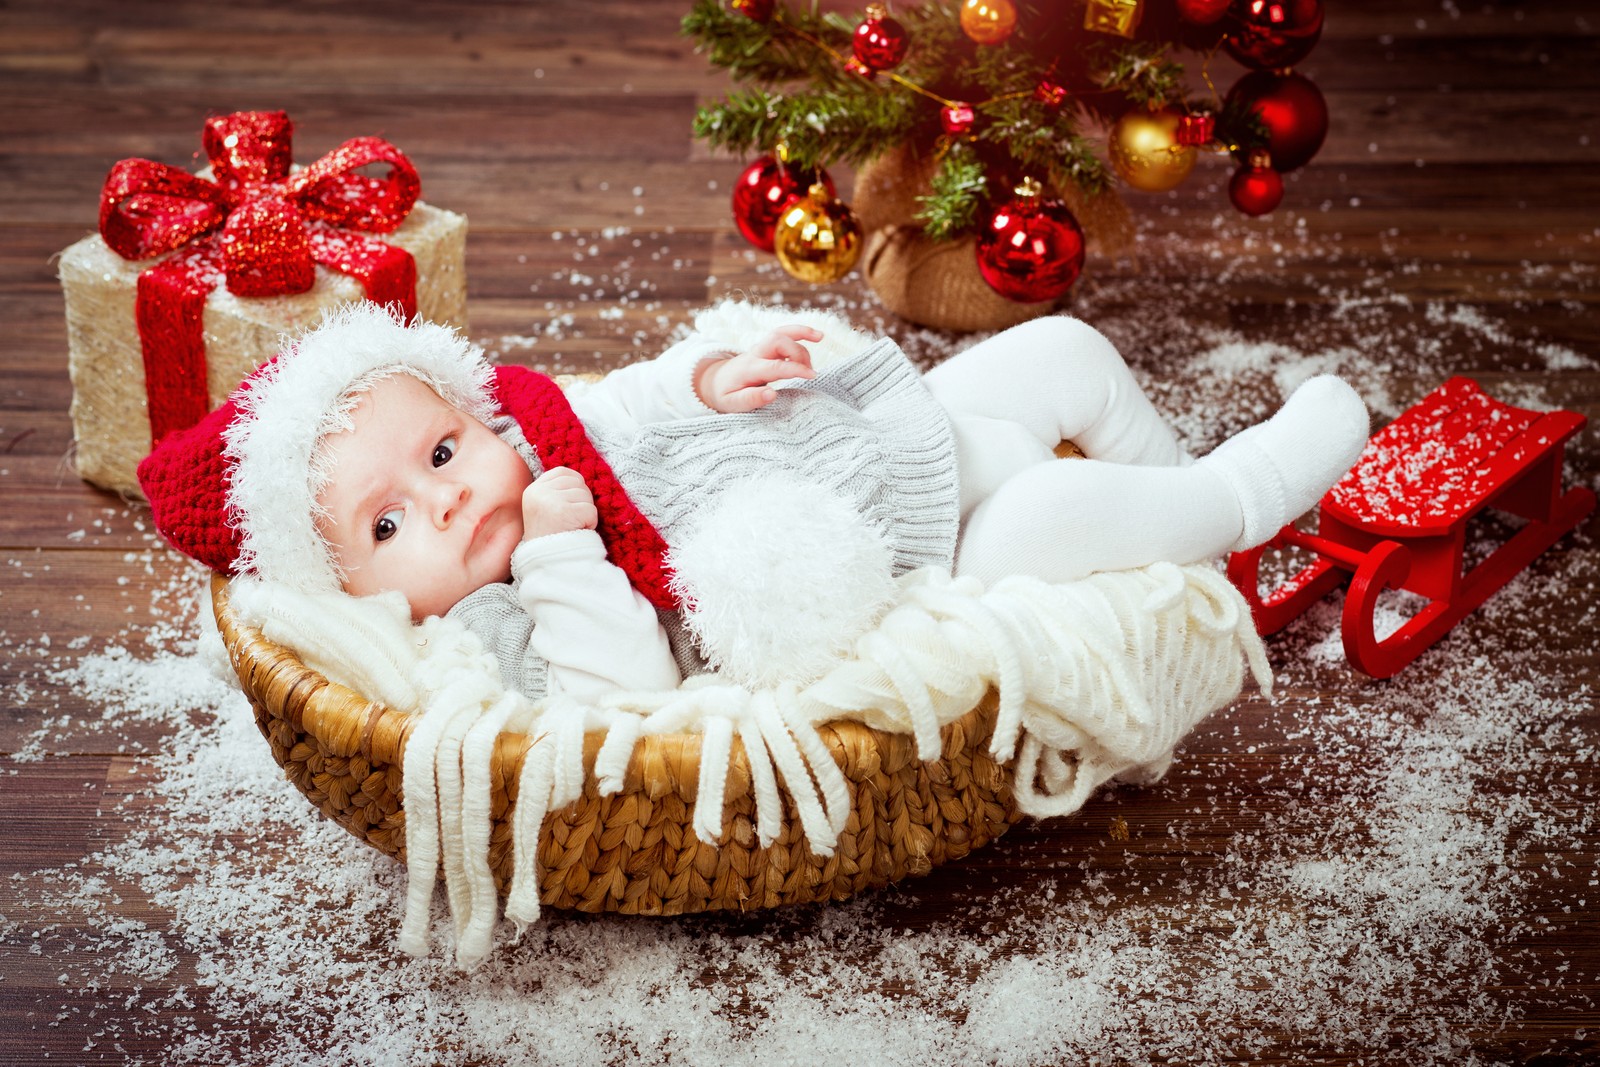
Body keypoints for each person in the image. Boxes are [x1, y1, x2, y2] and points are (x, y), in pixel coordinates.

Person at [138, 302, 1369, 702]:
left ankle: (1177, 542)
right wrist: (564, 555)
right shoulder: (489, 626)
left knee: (1058, 348)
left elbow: (632, 395)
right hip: (911, 544)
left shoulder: (541, 424)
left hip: (869, 439)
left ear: (476, 414)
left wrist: (709, 379)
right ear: (347, 588)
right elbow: (622, 700)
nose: (446, 506)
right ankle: (1238, 494)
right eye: (387, 525)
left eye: (443, 454)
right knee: (1035, 519)